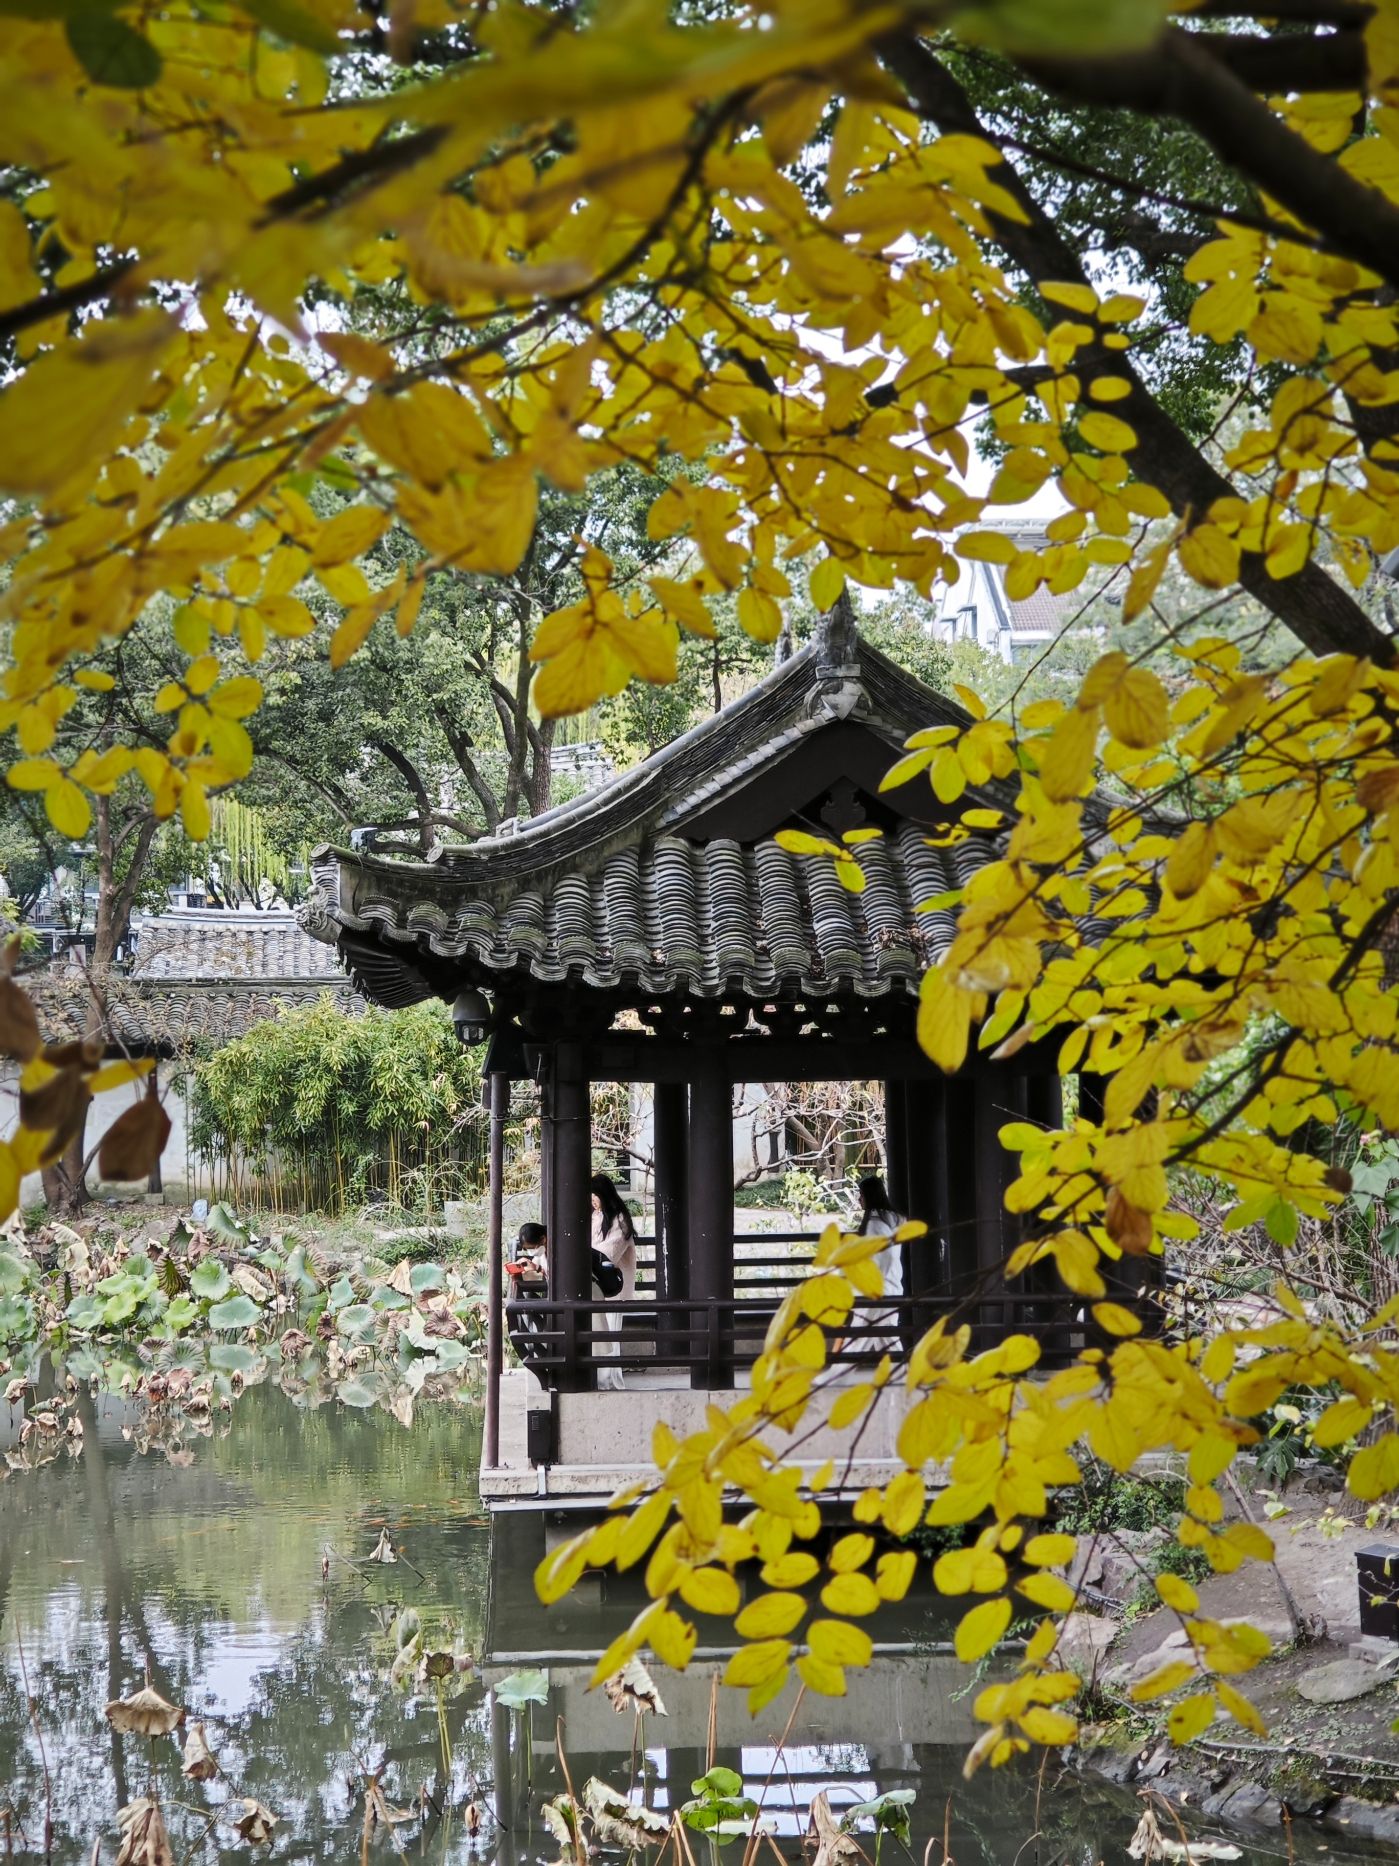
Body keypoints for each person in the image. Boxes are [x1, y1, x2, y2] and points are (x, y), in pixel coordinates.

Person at [590, 1172, 636, 1391]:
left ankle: (611, 1380)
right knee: (599, 1332)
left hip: (613, 1286)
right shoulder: (595, 1217)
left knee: (610, 1333)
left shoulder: (620, 1220)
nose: (592, 1201)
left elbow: (609, 1253)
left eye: (595, 1196)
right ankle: (600, 1378)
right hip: (596, 1284)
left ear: (604, 1195)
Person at [856, 1174, 905, 1358]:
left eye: (861, 1194)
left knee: (863, 1335)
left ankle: (841, 1369)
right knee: (884, 1335)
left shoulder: (875, 1224)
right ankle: (900, 1369)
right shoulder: (893, 1219)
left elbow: (883, 1258)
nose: (859, 1199)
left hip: (878, 1289)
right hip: (891, 1285)